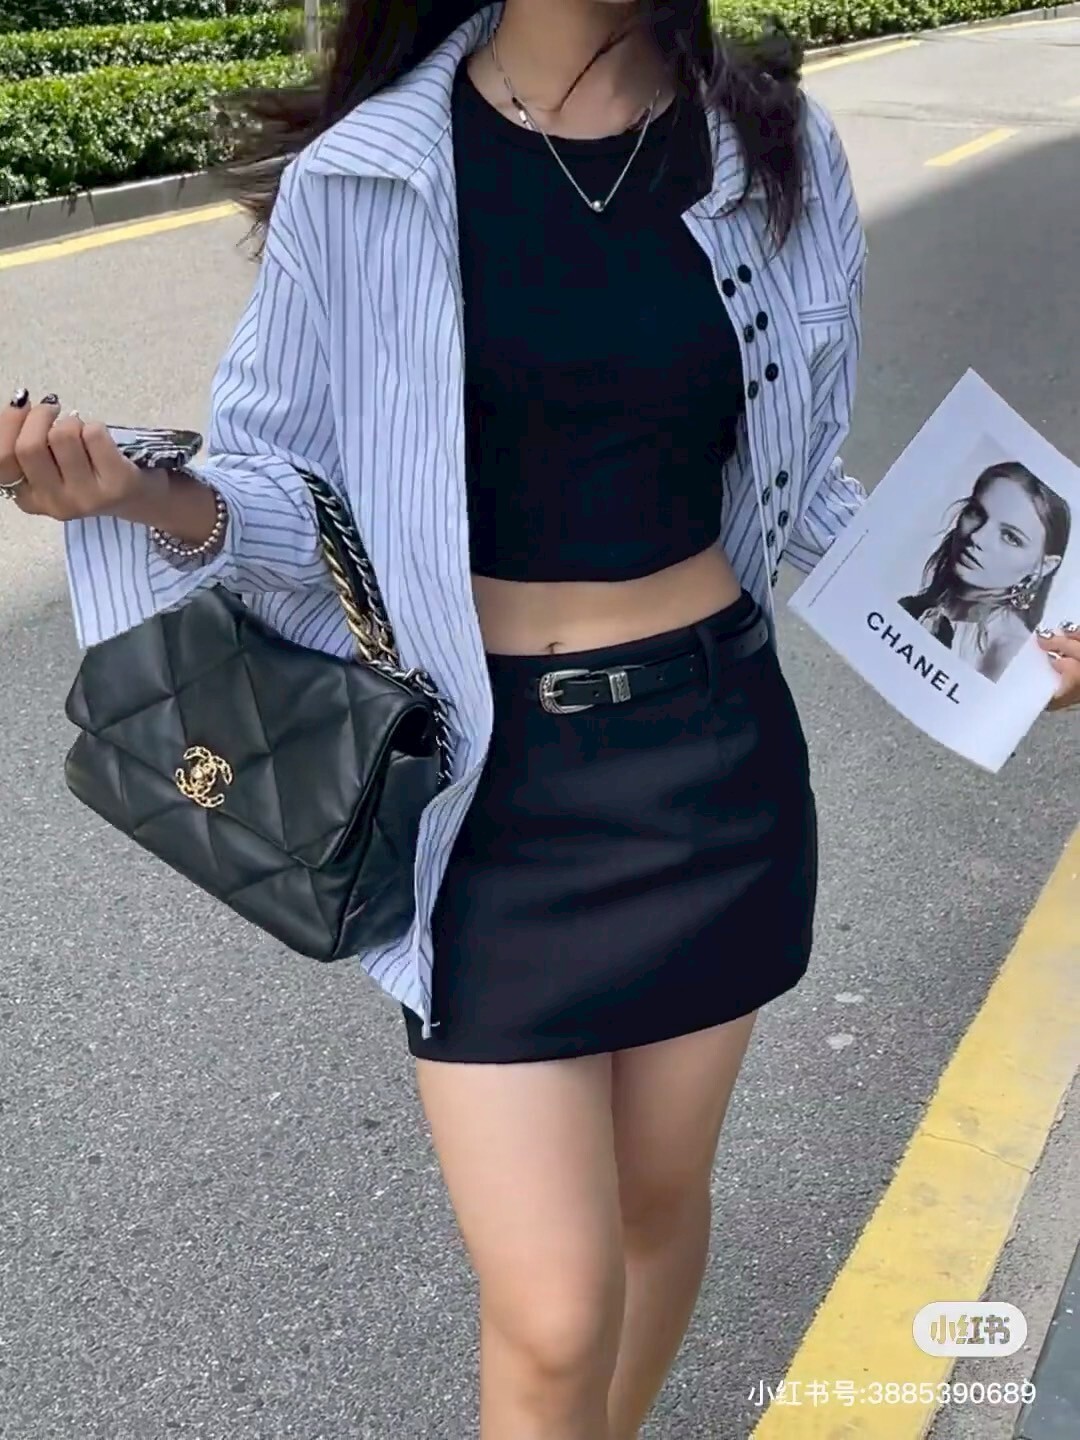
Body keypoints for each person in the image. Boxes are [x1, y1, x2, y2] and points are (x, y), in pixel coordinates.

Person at [2, 3, 1078, 1435]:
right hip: (484, 789)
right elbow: (287, 486)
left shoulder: (769, 148)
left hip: (711, 764)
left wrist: (1011, 645)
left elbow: (807, 481)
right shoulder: (367, 173)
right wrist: (142, 492)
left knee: (656, 1205)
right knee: (558, 1305)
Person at [899, 461, 1071, 682]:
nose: (977, 537)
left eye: (1010, 537)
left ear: (1044, 566)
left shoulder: (1007, 653)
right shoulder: (917, 606)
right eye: (976, 513)